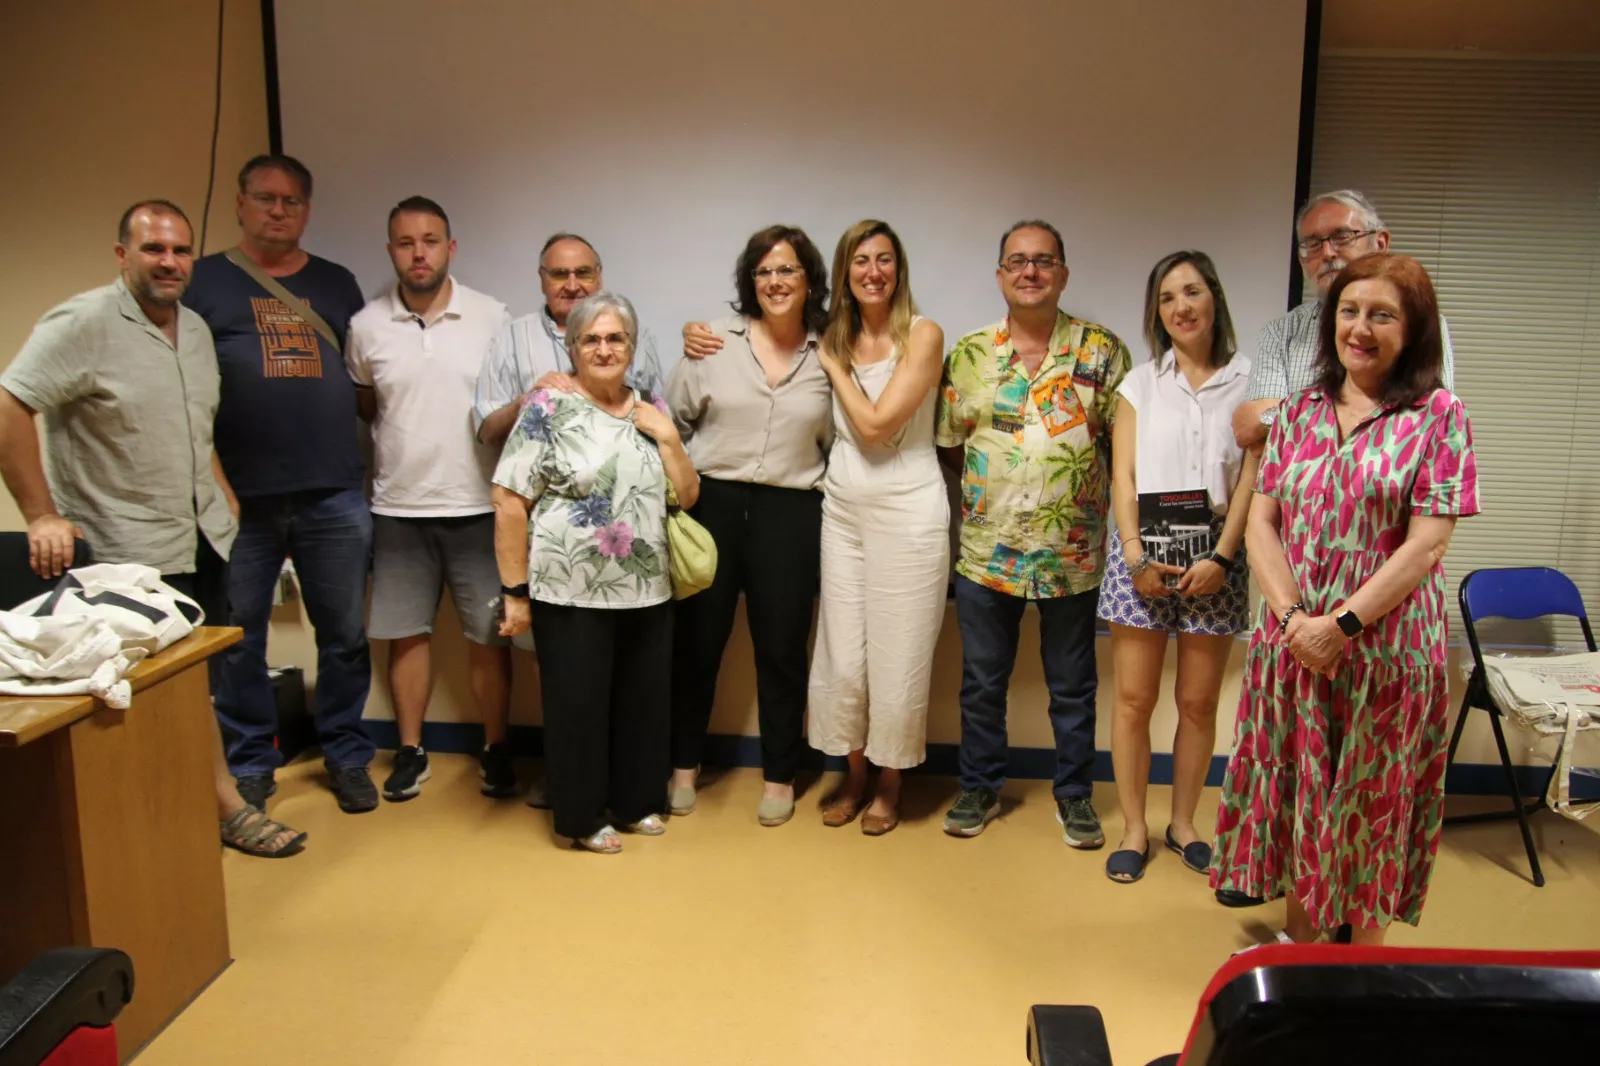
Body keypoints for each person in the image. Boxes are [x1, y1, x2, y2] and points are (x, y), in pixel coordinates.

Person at [0, 200, 306, 858]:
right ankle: (218, 809)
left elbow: (194, 429)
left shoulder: (193, 330)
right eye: (153, 249)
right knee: (154, 692)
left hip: (203, 535)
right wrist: (41, 513)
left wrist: (221, 495)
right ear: (122, 255)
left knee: (203, 681)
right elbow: (10, 403)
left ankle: (196, 805)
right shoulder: (83, 323)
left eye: (180, 250)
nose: (169, 262)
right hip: (126, 548)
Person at [1209, 252, 1478, 947]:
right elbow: (1264, 520)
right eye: (1350, 312)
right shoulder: (1296, 412)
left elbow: (1426, 544)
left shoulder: (1438, 416)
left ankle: (1357, 978)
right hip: (1293, 651)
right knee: (1302, 806)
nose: (1360, 329)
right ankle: (1304, 964)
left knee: (1368, 813)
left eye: (1381, 315)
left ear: (1413, 328)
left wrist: (1344, 625)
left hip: (1383, 658)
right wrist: (1298, 620)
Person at [184, 154, 378, 814]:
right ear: (241, 203)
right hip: (239, 500)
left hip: (333, 492)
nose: (277, 210)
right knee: (240, 641)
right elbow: (180, 392)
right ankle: (250, 763)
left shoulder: (336, 283)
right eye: (264, 198)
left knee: (345, 636)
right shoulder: (203, 282)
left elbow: (364, 377)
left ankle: (347, 755)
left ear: (306, 210)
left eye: (291, 201)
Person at [935, 219, 1131, 846]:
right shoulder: (967, 354)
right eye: (1017, 261)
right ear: (999, 275)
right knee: (982, 684)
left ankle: (1074, 795)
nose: (1030, 271)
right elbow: (948, 447)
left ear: (1063, 274)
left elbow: (1122, 450)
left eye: (1043, 261)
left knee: (1073, 687)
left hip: (1072, 555)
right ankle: (980, 786)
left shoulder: (1102, 351)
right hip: (986, 554)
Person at [491, 291, 698, 853]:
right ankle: (581, 818)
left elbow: (688, 494)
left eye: (616, 338)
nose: (605, 349)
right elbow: (509, 500)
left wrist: (670, 437)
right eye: (592, 339)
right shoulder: (547, 408)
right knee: (577, 708)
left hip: (648, 588)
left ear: (631, 346)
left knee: (643, 703)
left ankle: (636, 804)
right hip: (570, 590)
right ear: (572, 345)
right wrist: (515, 593)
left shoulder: (651, 404)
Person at [347, 197, 515, 803]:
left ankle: (497, 749)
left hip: (478, 505)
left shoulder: (493, 317)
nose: (419, 253)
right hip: (398, 508)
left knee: (489, 638)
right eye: (405, 242)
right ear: (390, 249)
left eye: (430, 240)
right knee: (405, 635)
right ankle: (411, 750)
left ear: (451, 246)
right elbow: (368, 406)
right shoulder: (366, 326)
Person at [1097, 251, 1257, 884]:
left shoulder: (1251, 381)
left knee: (1196, 703)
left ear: (1214, 298)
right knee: (1134, 700)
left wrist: (1223, 556)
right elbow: (1124, 475)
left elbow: (1252, 477)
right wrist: (1134, 555)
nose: (1181, 307)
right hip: (1144, 548)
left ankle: (1184, 823)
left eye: (1192, 292)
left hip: (1217, 553)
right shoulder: (1140, 383)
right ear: (1156, 313)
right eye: (1167, 298)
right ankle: (1135, 829)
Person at [666, 225, 832, 826]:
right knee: (697, 643)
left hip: (791, 512)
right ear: (750, 281)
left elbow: (839, 442)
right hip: (711, 505)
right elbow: (671, 423)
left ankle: (781, 776)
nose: (775, 282)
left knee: (783, 650)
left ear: (808, 278)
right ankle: (682, 765)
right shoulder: (711, 344)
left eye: (787, 270)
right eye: (764, 272)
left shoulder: (829, 351)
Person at [805, 220, 947, 835]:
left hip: (910, 509)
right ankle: (854, 774)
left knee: (900, 655)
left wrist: (834, 366)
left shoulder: (923, 333)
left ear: (899, 268)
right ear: (844, 271)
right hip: (843, 510)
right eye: (860, 260)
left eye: (884, 259)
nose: (872, 271)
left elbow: (878, 425)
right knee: (843, 655)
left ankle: (890, 783)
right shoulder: (829, 333)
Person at [1231, 189, 1455, 454]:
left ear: (1380, 243)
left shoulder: (1419, 323)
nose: (1327, 252)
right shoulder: (1281, 332)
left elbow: (1426, 426)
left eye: (1342, 237)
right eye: (1313, 244)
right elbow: (1251, 434)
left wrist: (1278, 418)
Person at [473, 233, 666, 450]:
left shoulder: (635, 334)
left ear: (599, 276)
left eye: (583, 273)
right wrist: (526, 403)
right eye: (559, 275)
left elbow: (661, 421)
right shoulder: (510, 339)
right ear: (542, 279)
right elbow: (486, 432)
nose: (573, 286)